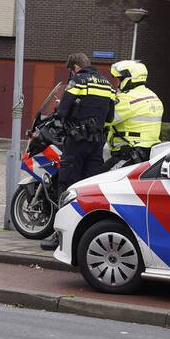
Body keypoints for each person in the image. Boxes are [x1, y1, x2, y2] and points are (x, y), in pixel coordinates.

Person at [41, 53, 116, 250]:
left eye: (70, 70)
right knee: (88, 188)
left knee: (67, 185)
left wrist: (64, 112)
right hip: (96, 144)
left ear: (74, 67)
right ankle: (84, 234)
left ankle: (60, 236)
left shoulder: (78, 80)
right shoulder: (107, 84)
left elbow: (63, 110)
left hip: (76, 142)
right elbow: (109, 117)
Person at [105, 60, 164, 167]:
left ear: (128, 79)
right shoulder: (153, 96)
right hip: (149, 154)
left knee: (95, 178)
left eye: (119, 79)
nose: (117, 83)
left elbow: (104, 120)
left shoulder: (128, 99)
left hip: (128, 155)